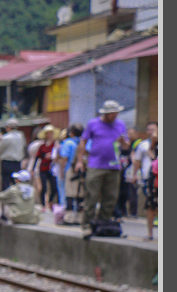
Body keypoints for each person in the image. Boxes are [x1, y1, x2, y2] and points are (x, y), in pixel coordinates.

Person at [74, 100, 130, 238]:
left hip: (114, 166)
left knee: (110, 197)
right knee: (92, 196)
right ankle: (86, 224)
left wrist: (124, 143)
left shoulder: (121, 124)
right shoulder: (93, 123)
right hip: (95, 165)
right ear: (106, 113)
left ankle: (102, 223)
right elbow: (83, 141)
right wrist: (80, 161)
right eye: (112, 113)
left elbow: (126, 146)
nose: (115, 116)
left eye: (116, 113)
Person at [133, 122, 157, 239]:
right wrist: (134, 174)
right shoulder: (144, 144)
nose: (151, 131)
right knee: (151, 205)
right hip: (152, 176)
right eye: (149, 129)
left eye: (153, 129)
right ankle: (150, 233)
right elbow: (140, 159)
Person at [58, 124, 84, 225]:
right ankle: (80, 217)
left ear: (71, 133)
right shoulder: (84, 142)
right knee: (80, 194)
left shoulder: (68, 142)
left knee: (70, 193)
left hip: (71, 170)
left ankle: (68, 217)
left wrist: (61, 171)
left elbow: (64, 158)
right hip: (83, 170)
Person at [0, 118, 26, 192]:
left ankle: (6, 200)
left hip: (7, 162)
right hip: (17, 162)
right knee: (16, 182)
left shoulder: (6, 137)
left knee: (5, 182)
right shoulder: (21, 136)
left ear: (8, 127)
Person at [31, 125, 58, 210]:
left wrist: (53, 157)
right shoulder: (42, 146)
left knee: (54, 187)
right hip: (43, 168)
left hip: (52, 168)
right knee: (43, 187)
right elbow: (37, 157)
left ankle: (50, 201)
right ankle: (43, 205)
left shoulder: (55, 145)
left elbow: (58, 155)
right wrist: (32, 169)